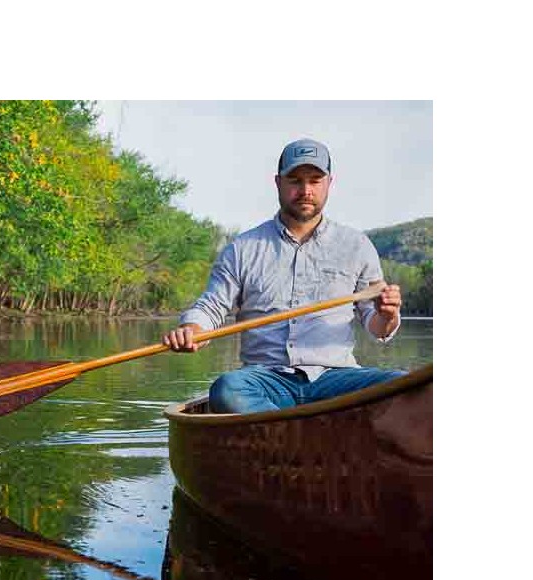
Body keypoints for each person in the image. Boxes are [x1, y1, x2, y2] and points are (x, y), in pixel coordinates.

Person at [162, 137, 405, 414]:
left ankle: (283, 433)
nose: (305, 190)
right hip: (265, 381)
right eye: (295, 180)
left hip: (336, 379)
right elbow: (210, 308)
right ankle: (305, 432)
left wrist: (387, 316)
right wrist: (193, 330)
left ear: (329, 183)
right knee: (227, 389)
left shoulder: (356, 245)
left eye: (315, 180)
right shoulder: (242, 248)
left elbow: (377, 328)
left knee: (401, 385)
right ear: (278, 183)